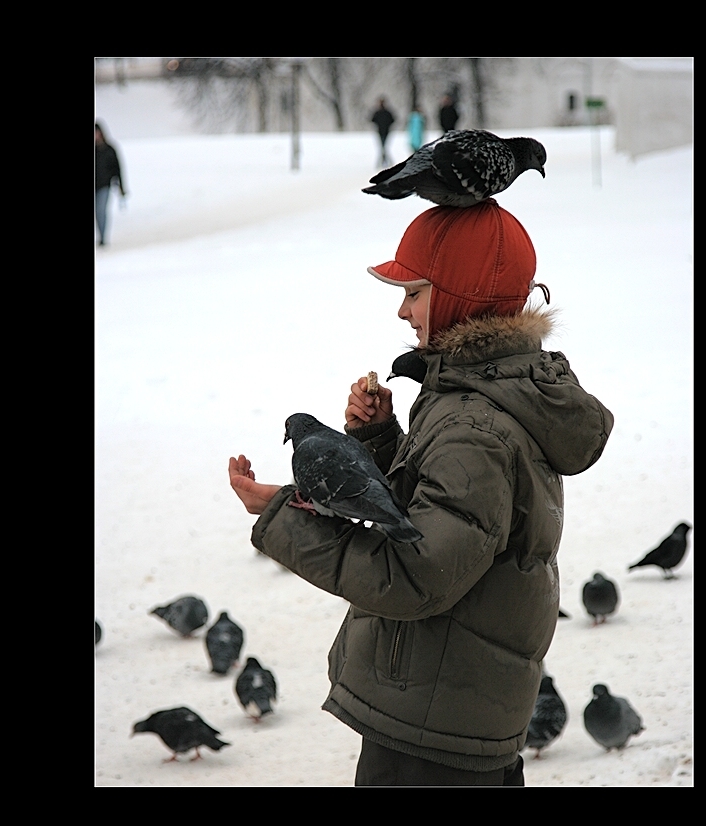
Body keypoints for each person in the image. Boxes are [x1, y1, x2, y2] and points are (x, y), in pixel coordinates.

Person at [228, 199, 614, 787]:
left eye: (414, 293)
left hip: (435, 734)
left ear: (460, 298)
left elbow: (417, 575)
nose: (402, 311)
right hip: (462, 707)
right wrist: (382, 443)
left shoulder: (472, 425)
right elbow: (455, 514)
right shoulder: (489, 393)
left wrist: (284, 514)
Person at [95, 122, 126, 247]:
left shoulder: (108, 149)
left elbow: (117, 169)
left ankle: (103, 237)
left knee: (101, 211)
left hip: (104, 185)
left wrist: (121, 187)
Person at [371, 98, 396, 166]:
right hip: (383, 131)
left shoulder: (380, 112)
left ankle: (383, 161)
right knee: (383, 147)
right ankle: (385, 161)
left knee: (383, 147)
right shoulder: (385, 112)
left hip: (383, 131)